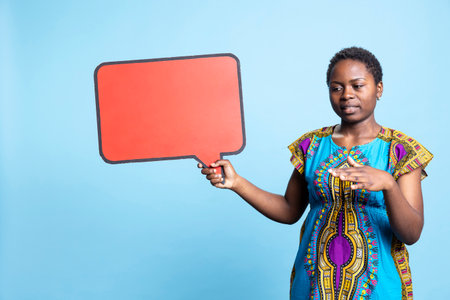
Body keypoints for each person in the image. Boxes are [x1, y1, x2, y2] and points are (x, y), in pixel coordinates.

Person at [198, 47, 433, 300]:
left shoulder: (401, 150)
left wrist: (388, 184)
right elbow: (289, 210)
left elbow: (411, 234)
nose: (346, 95)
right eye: (337, 87)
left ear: (379, 89)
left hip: (378, 289)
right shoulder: (311, 146)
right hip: (315, 287)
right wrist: (237, 183)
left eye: (357, 85)